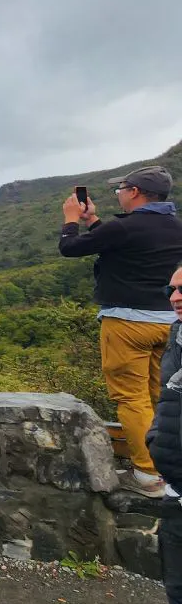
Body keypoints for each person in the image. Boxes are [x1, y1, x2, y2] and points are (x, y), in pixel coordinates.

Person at [59, 165, 182, 497]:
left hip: (127, 324)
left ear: (135, 192)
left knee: (132, 398)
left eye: (121, 190)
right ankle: (170, 472)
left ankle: (148, 475)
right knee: (162, 396)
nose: (119, 195)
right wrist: (93, 221)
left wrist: (71, 219)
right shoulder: (175, 226)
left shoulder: (125, 227)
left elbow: (70, 248)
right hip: (169, 324)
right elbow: (122, 244)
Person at [146, 263, 182, 604]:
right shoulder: (177, 335)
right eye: (171, 289)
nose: (175, 298)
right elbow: (168, 400)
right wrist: (156, 441)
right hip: (176, 494)